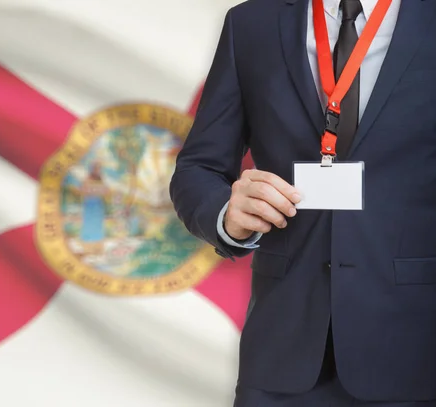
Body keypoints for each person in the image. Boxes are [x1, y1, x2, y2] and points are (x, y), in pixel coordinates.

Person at [169, 0, 436, 406]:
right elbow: (198, 167)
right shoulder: (251, 23)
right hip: (281, 355)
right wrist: (225, 214)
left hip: (416, 352)